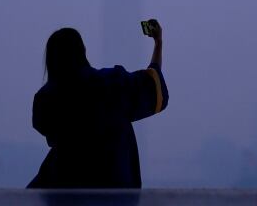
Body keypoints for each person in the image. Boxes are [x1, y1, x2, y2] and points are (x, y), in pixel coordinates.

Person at [28, 20, 169, 188]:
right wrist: (158, 42)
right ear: (83, 52)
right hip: (115, 187)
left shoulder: (46, 99)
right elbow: (153, 86)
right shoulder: (114, 83)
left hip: (65, 185)